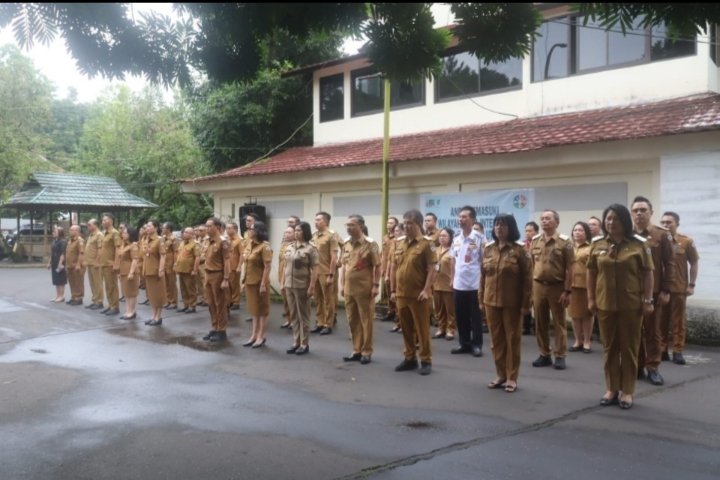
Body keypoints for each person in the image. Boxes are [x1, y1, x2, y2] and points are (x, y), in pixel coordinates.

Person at [587, 204, 654, 410]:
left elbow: (648, 274)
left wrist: (648, 300)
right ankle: (612, 388)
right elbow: (591, 272)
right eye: (608, 218)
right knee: (609, 348)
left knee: (629, 348)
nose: (611, 222)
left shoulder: (639, 244)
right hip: (605, 303)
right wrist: (591, 299)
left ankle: (627, 391)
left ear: (624, 221)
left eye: (615, 219)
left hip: (631, 304)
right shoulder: (597, 244)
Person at [479, 214, 533, 393]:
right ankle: (500, 374)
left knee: (512, 340)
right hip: (490, 301)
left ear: (511, 228)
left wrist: (526, 304)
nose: (498, 228)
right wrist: (481, 299)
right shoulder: (488, 249)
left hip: (512, 303)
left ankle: (512, 377)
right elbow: (483, 277)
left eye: (503, 225)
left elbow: (527, 279)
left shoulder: (520, 250)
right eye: (496, 225)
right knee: (496, 341)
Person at [631, 196, 675, 386]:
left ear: (651, 212)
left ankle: (653, 368)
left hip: (654, 292)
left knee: (653, 331)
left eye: (643, 210)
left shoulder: (662, 234)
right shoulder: (627, 234)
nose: (639, 213)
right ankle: (637, 365)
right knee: (633, 331)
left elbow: (670, 263)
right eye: (636, 210)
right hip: (631, 292)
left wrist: (667, 289)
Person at [391, 209, 437, 375]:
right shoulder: (400, 243)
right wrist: (393, 290)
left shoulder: (427, 244)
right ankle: (409, 358)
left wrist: (426, 289)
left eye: (410, 223)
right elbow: (394, 267)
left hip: (419, 295)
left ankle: (425, 360)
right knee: (406, 328)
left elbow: (432, 269)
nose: (406, 226)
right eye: (405, 223)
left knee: (422, 329)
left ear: (418, 224)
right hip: (402, 294)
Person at [530, 209, 573, 370]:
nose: (544, 221)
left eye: (548, 218)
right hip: (538, 286)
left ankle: (560, 355)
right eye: (542, 219)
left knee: (559, 322)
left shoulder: (565, 242)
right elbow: (532, 266)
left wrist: (567, 291)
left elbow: (570, 268)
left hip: (557, 287)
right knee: (540, 322)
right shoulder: (535, 241)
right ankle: (544, 354)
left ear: (557, 222)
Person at [659, 211, 700, 365]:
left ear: (677, 224)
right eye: (663, 222)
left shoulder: (686, 241)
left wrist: (692, 285)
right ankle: (662, 350)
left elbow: (694, 263)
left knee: (678, 322)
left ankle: (677, 351)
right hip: (661, 289)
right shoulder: (657, 241)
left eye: (669, 222)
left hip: (678, 289)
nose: (665, 225)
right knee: (661, 321)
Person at [340, 214, 381, 364]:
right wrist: (342, 284)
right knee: (352, 320)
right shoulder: (346, 244)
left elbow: (378, 266)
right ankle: (356, 349)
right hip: (349, 288)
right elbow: (344, 266)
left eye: (352, 225)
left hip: (364, 289)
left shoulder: (371, 244)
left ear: (361, 226)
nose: (349, 228)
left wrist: (376, 285)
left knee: (366, 320)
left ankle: (366, 351)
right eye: (347, 225)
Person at [450, 206, 485, 358]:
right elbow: (453, 260)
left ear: (472, 219)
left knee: (475, 317)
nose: (461, 219)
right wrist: (452, 279)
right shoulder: (456, 238)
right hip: (459, 283)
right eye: (460, 217)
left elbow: (483, 261)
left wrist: (483, 283)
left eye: (464, 217)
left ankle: (476, 345)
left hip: (474, 284)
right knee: (461, 315)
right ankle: (464, 343)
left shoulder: (479, 238)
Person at [284, 221, 319, 355]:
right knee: (293, 315)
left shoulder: (310, 248)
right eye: (296, 230)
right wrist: (283, 282)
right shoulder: (290, 246)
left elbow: (315, 269)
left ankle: (304, 343)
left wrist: (312, 286)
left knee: (303, 315)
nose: (296, 233)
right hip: (289, 285)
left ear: (305, 232)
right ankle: (296, 341)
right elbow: (285, 266)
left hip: (302, 285)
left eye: (299, 230)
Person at [243, 220, 273, 348]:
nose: (249, 231)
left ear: (258, 231)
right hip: (249, 282)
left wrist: (263, 283)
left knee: (262, 311)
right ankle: (253, 335)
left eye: (251, 229)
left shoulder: (264, 246)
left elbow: (267, 266)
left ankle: (261, 336)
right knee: (254, 311)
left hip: (259, 283)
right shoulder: (249, 244)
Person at [310, 211, 339, 335]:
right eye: (315, 220)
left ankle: (328, 323)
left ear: (326, 221)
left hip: (326, 272)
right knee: (317, 299)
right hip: (315, 272)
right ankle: (320, 322)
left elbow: (334, 256)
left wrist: (331, 274)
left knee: (328, 299)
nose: (315, 222)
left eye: (318, 220)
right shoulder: (314, 235)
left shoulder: (331, 236)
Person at [202, 217, 231, 342]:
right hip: (208, 274)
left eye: (210, 226)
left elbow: (227, 261)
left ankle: (221, 330)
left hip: (218, 274)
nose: (207, 229)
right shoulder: (208, 241)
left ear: (218, 227)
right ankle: (214, 327)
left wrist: (226, 278)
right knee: (211, 303)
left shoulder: (223, 242)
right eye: (206, 226)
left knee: (220, 304)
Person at [569, 221, 594, 353]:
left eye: (580, 230)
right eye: (575, 230)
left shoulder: (591, 248)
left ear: (586, 233)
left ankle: (587, 341)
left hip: (585, 285)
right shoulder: (569, 247)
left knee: (586, 315)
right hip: (571, 285)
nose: (577, 232)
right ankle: (577, 340)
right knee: (574, 315)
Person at [432, 227, 456, 340]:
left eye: (444, 236)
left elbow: (455, 267)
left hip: (448, 283)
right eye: (440, 236)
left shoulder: (453, 250)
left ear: (450, 238)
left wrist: (453, 280)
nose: (441, 238)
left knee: (450, 309)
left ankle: (450, 329)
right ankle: (441, 328)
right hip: (436, 283)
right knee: (439, 308)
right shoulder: (435, 250)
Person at [142, 221, 166, 326]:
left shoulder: (159, 240)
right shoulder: (146, 240)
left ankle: (158, 317)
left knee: (158, 295)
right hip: (148, 270)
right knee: (151, 295)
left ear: (155, 228)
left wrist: (161, 270)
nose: (147, 228)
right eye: (146, 226)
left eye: (149, 226)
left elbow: (163, 256)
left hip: (156, 271)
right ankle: (153, 315)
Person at [99, 213, 122, 316]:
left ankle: (115, 307)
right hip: (104, 263)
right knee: (108, 286)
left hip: (110, 264)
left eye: (105, 220)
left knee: (112, 286)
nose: (103, 222)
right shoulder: (104, 233)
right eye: (102, 220)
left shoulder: (114, 233)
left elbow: (118, 249)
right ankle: (110, 305)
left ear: (111, 221)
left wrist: (116, 264)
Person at [175, 227, 201, 314]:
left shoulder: (195, 244)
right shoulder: (182, 243)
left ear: (192, 234)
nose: (184, 234)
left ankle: (192, 306)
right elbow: (179, 255)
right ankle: (186, 305)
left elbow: (197, 257)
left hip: (189, 270)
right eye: (184, 232)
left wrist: (195, 269)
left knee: (191, 289)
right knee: (183, 289)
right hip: (181, 269)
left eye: (186, 232)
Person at [118, 226, 141, 320]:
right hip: (124, 271)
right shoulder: (124, 244)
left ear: (130, 234)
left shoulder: (133, 246)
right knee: (126, 293)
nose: (123, 234)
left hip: (130, 271)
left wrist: (131, 272)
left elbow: (135, 260)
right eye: (123, 232)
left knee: (131, 293)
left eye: (125, 233)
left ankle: (131, 311)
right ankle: (128, 310)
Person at [380, 216, 399, 323]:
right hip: (386, 267)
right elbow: (383, 253)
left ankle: (397, 313)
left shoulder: (397, 239)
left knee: (395, 291)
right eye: (388, 223)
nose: (389, 225)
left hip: (393, 267)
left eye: (391, 223)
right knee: (388, 291)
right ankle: (391, 311)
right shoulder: (385, 237)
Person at [83, 219, 104, 310]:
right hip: (90, 263)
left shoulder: (99, 235)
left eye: (89, 225)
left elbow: (100, 249)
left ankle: (99, 301)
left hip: (96, 263)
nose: (88, 227)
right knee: (92, 283)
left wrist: (97, 261)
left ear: (95, 225)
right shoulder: (91, 235)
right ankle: (95, 300)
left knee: (97, 283)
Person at [522, 221, 539, 335]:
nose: (527, 233)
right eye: (526, 231)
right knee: (526, 301)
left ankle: (538, 327)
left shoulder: (540, 244)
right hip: (526, 279)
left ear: (536, 232)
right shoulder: (522, 245)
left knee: (538, 304)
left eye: (530, 231)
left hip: (537, 278)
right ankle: (526, 327)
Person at [388, 222, 405, 332]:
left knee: (403, 304)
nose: (396, 233)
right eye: (395, 231)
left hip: (404, 277)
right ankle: (398, 323)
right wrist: (387, 274)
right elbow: (390, 260)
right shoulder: (394, 243)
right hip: (395, 275)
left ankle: (403, 324)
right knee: (397, 302)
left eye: (398, 231)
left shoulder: (405, 243)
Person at [278, 226, 295, 328]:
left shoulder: (295, 246)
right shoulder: (283, 245)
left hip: (289, 275)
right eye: (285, 233)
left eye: (289, 233)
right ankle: (288, 319)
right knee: (285, 300)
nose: (286, 235)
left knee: (291, 300)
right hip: (281, 274)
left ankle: (294, 320)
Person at [65, 224, 85, 305]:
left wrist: (78, 264)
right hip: (70, 265)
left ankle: (79, 298)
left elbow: (81, 253)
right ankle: (73, 296)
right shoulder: (70, 241)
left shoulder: (80, 241)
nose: (70, 231)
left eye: (72, 230)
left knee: (78, 282)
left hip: (76, 265)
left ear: (77, 231)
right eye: (70, 230)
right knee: (72, 282)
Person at [226, 222, 244, 310]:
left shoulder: (239, 240)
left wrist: (239, 266)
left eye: (230, 228)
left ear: (235, 229)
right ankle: (229, 301)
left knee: (235, 285)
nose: (227, 230)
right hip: (227, 266)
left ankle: (236, 302)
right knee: (228, 285)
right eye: (227, 228)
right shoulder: (227, 240)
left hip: (234, 266)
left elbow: (242, 254)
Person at [161, 222, 179, 310]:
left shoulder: (174, 239)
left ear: (168, 229)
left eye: (164, 228)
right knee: (166, 283)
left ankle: (173, 302)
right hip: (164, 263)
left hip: (170, 263)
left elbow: (176, 252)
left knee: (172, 283)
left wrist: (175, 263)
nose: (162, 229)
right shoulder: (163, 238)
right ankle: (168, 300)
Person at [48, 225, 67, 302]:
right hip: (54, 261)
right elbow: (52, 253)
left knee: (61, 280)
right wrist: (49, 262)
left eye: (55, 232)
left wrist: (60, 263)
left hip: (60, 262)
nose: (53, 233)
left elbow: (63, 253)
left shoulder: (63, 241)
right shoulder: (54, 241)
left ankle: (61, 296)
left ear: (60, 233)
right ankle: (58, 295)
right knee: (56, 280)